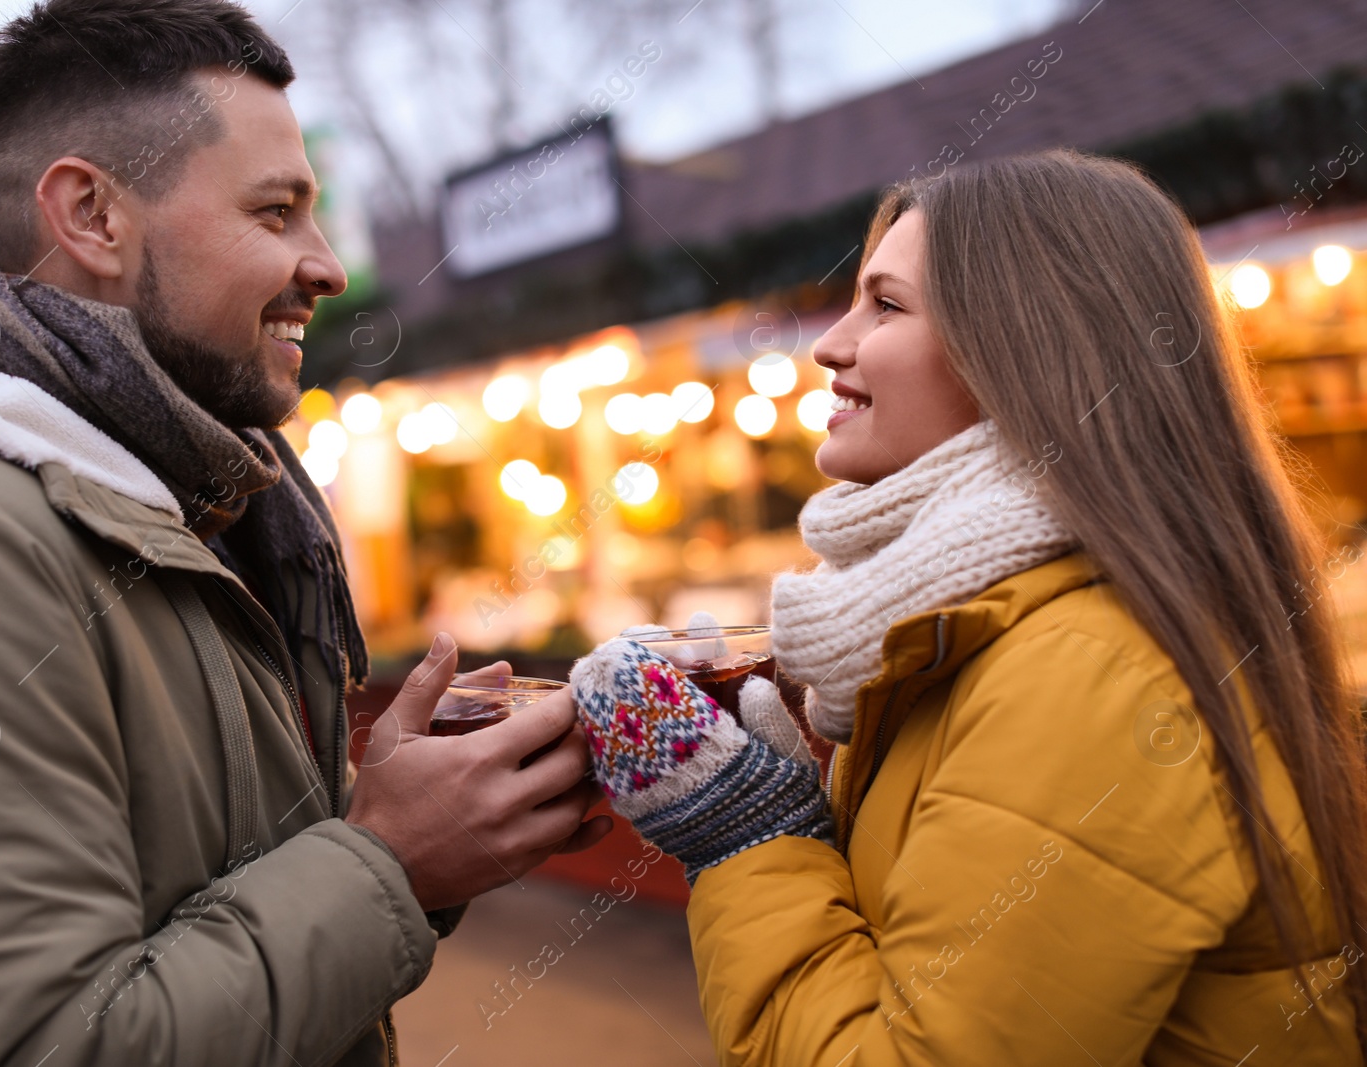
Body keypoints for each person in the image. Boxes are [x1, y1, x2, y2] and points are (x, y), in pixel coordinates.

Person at [0, 2, 607, 1064]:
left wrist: (392, 826)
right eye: (275, 213)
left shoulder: (178, 504)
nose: (327, 265)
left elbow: (193, 895)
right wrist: (385, 859)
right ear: (93, 217)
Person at [570, 149, 1367, 1064]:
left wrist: (747, 833)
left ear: (1027, 346)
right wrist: (808, 804)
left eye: (887, 303)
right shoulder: (987, 634)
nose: (830, 345)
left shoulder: (1089, 673)